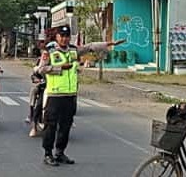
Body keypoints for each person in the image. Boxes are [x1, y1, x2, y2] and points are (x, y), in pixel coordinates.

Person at [36, 26, 125, 166]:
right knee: (50, 126)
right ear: (57, 37)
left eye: (67, 36)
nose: (65, 39)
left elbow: (89, 47)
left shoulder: (73, 50)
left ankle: (60, 152)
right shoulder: (50, 52)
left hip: (70, 95)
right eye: (62, 36)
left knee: (66, 125)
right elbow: (41, 69)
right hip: (55, 95)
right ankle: (48, 154)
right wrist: (59, 68)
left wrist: (108, 44)